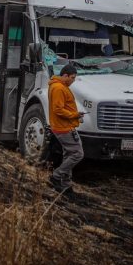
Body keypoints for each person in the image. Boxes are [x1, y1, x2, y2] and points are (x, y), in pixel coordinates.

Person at [48, 64, 85, 194]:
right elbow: (57, 109)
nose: (73, 81)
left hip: (64, 125)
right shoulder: (58, 88)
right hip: (63, 127)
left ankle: (66, 185)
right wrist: (74, 115)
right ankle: (56, 176)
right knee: (77, 154)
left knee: (69, 154)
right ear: (65, 76)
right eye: (72, 78)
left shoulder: (60, 86)